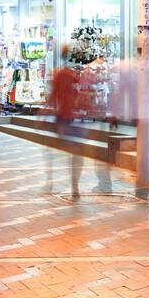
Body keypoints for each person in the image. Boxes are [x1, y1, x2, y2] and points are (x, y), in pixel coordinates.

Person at [46, 46, 113, 197]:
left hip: (64, 117)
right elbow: (83, 95)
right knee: (77, 153)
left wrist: (43, 113)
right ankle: (74, 184)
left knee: (65, 151)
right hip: (76, 117)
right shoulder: (76, 76)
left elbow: (53, 97)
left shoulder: (59, 75)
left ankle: (61, 182)